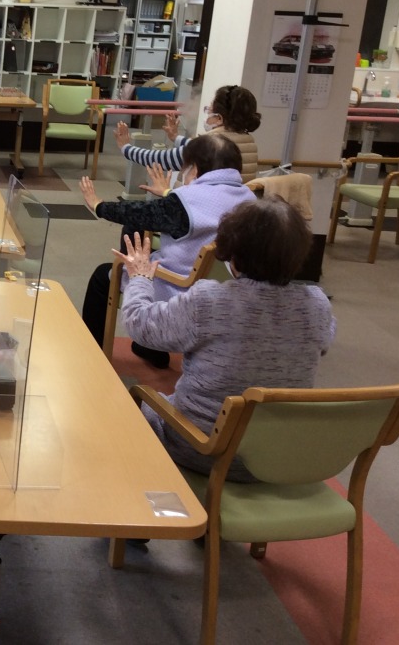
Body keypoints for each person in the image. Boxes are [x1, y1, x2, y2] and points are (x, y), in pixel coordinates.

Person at [113, 197, 336, 481]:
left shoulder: (211, 300)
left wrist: (141, 278)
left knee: (131, 403)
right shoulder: (317, 305)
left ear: (234, 253)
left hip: (202, 448)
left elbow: (140, 324)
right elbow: (325, 339)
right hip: (277, 456)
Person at [79, 132, 255, 367]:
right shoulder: (250, 199)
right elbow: (206, 208)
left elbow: (137, 213)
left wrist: (98, 205)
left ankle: (91, 353)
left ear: (194, 169)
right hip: (226, 289)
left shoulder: (184, 201)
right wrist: (167, 195)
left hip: (179, 287)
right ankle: (149, 346)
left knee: (103, 277)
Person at [114, 84, 262, 182]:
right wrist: (176, 137)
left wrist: (126, 147)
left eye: (208, 110)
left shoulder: (210, 144)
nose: (207, 114)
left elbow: (158, 159)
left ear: (219, 118)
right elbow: (203, 150)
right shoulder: (248, 140)